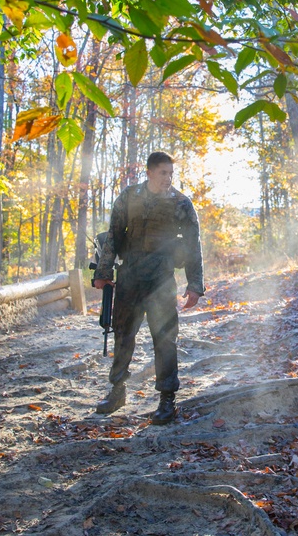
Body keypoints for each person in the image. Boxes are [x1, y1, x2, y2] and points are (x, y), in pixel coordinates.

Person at [92, 151, 204, 425]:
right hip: (129, 276)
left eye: (170, 173)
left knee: (165, 338)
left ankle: (167, 399)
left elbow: (192, 245)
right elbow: (114, 235)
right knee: (123, 334)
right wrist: (103, 273)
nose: (168, 178)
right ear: (150, 173)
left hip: (162, 280)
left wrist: (195, 285)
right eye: (162, 173)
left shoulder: (181, 203)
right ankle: (117, 390)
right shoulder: (129, 197)